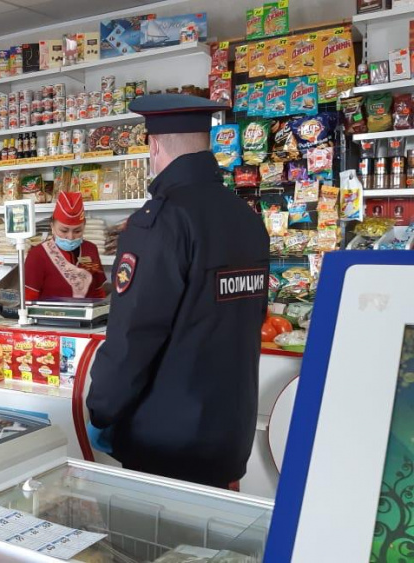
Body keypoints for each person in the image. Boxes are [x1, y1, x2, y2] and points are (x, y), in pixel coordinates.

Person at [85, 94, 270, 489]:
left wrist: (100, 409)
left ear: (154, 146)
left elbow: (133, 336)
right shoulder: (246, 218)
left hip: (165, 442)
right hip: (229, 435)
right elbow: (253, 316)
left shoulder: (161, 221)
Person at [23, 191, 107, 301]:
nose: (70, 237)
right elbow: (29, 298)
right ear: (52, 226)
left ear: (84, 226)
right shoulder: (37, 255)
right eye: (64, 231)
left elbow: (98, 291)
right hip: (49, 312)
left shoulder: (90, 250)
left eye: (77, 231)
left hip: (87, 311)